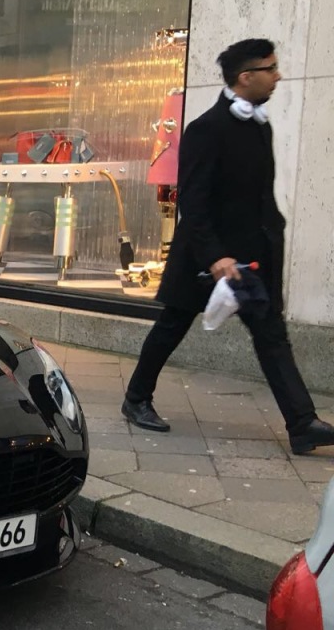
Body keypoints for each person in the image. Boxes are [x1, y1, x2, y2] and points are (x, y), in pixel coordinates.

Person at [121, 39, 334, 456]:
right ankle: (135, 399)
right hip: (206, 257)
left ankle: (302, 423)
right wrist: (214, 256)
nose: (279, 75)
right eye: (270, 68)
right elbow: (193, 201)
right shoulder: (206, 129)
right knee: (171, 326)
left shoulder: (260, 125)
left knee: (272, 336)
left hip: (254, 256)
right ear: (245, 77)